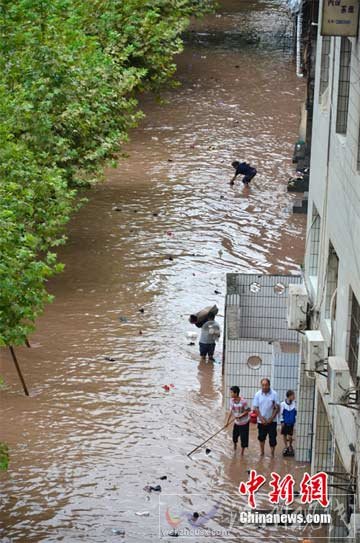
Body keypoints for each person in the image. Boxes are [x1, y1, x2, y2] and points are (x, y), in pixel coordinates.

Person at [253, 378, 280, 457]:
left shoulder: (274, 394)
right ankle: (262, 452)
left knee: (272, 439)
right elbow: (256, 407)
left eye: (266, 385)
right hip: (261, 421)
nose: (264, 387)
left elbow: (277, 407)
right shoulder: (258, 394)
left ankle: (272, 454)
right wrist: (261, 418)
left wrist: (271, 418)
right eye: (263, 385)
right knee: (261, 437)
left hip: (272, 421)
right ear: (261, 385)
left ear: (269, 385)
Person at [226, 386, 251, 455]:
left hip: (244, 423)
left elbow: (248, 410)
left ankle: (242, 453)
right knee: (234, 437)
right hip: (236, 422)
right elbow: (230, 411)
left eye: (231, 392)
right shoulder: (231, 401)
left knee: (243, 438)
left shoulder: (243, 401)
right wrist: (227, 422)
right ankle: (235, 445)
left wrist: (240, 416)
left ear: (236, 393)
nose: (230, 394)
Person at [280, 389, 297, 457]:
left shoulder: (294, 404)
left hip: (291, 422)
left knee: (290, 435)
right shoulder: (283, 404)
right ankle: (286, 446)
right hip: (285, 422)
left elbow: (295, 412)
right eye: (293, 395)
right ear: (289, 396)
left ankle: (290, 445)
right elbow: (281, 413)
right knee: (284, 434)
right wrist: (282, 421)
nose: (294, 397)